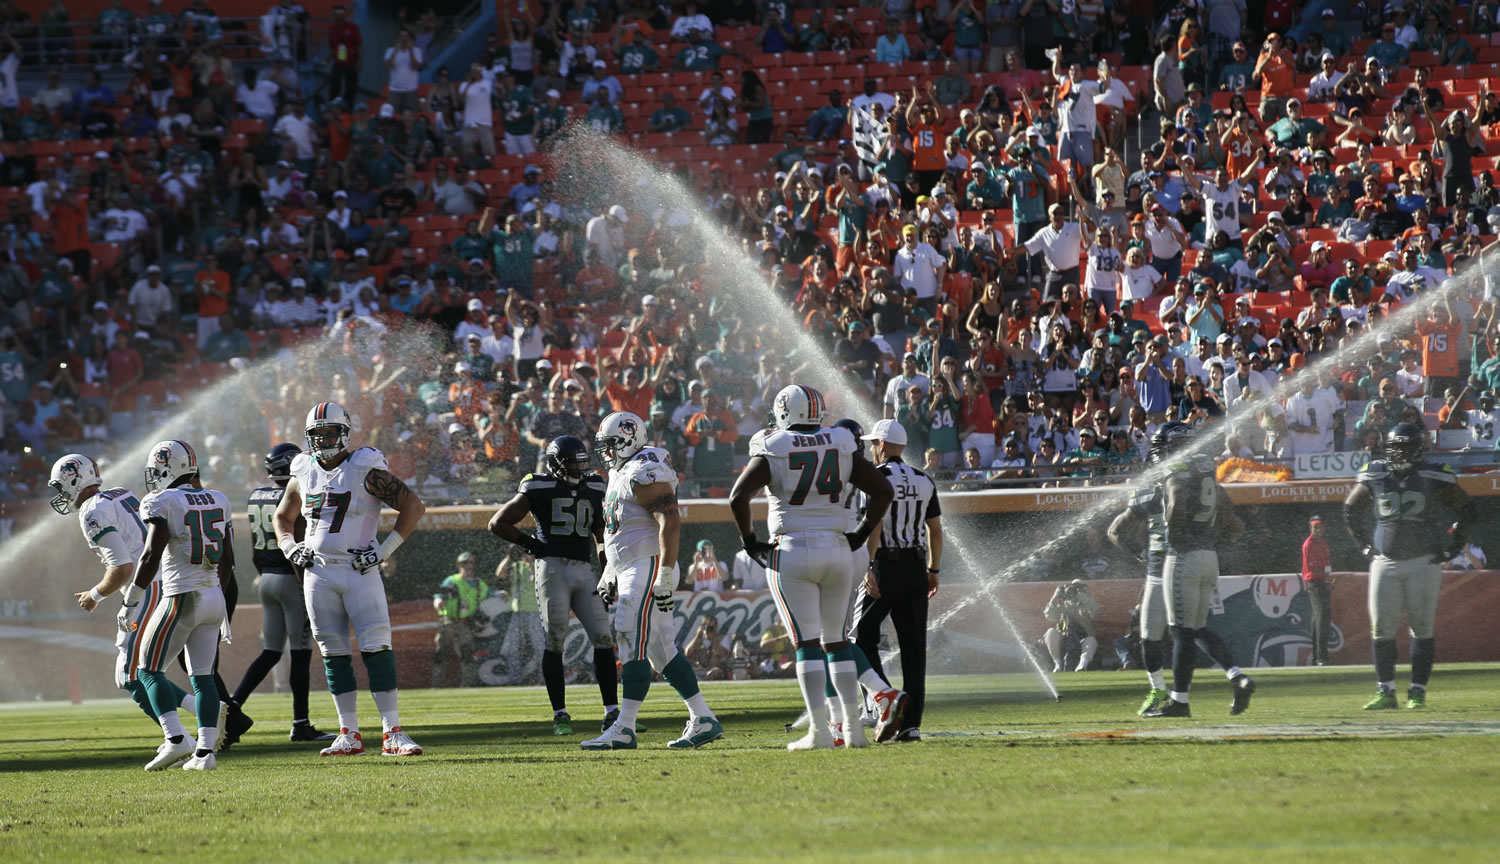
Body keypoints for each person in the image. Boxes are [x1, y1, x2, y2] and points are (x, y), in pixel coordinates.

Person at [731, 391, 897, 750]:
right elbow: (883, 490)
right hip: (838, 548)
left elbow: (737, 497)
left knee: (807, 643)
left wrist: (749, 542)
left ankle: (821, 732)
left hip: (792, 549)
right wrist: (861, 533)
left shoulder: (772, 443)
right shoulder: (840, 442)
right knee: (836, 641)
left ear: (783, 412)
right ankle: (853, 731)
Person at [273, 402, 427, 757]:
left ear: (344, 433)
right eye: (317, 434)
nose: (323, 439)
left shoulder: (365, 467)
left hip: (360, 569)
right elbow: (282, 517)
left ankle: (393, 732)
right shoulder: (303, 468)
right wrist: (289, 547)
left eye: (329, 432)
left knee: (376, 647)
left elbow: (413, 507)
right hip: (319, 572)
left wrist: (384, 550)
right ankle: (349, 733)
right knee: (332, 653)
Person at [48, 453, 207, 769]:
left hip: (146, 588)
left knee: (131, 673)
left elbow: (122, 567)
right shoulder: (122, 493)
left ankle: (177, 739)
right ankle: (199, 718)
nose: (61, 494)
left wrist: (94, 595)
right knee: (142, 670)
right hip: (165, 581)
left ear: (74, 479)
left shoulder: (93, 511)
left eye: (62, 485)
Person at [583, 412, 724, 750]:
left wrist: (664, 572)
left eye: (611, 444)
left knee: (630, 636)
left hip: (649, 565)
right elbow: (622, 529)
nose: (606, 451)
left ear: (629, 439)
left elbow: (670, 519)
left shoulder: (644, 468)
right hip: (635, 565)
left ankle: (625, 727)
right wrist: (609, 570)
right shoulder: (621, 471)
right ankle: (703, 717)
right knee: (662, 651)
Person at [1109, 439, 1255, 717]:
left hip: (1176, 564)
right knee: (1188, 631)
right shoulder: (1201, 479)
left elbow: (1119, 529)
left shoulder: (1173, 480)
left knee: (1177, 633)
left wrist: (1176, 543)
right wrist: (1211, 543)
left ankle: (1178, 699)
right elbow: (1235, 523)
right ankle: (1228, 677)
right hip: (1184, 563)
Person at [488, 435, 619, 736]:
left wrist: (607, 569)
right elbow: (498, 523)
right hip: (552, 569)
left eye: (583, 462)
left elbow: (599, 532)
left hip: (585, 570)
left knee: (602, 636)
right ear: (558, 464)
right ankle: (560, 714)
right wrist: (531, 543)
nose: (579, 468)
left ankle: (612, 712)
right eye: (574, 463)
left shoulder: (594, 486)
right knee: (555, 639)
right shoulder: (538, 486)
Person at [1342, 423, 1476, 710]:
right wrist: (1364, 546)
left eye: (1404, 448)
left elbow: (1467, 509)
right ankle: (1385, 691)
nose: (1398, 454)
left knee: (1422, 627)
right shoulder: (1376, 473)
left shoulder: (1433, 474)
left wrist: (1454, 547)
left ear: (1417, 449)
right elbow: (1350, 509)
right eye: (1394, 448)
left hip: (1423, 562)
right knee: (1381, 628)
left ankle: (1417, 691)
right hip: (1385, 561)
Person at [126, 440, 234, 771]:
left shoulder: (161, 500)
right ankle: (205, 753)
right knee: (204, 678)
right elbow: (228, 560)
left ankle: (175, 739)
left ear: (166, 467)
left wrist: (131, 598)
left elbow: (150, 554)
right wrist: (218, 597)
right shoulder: (219, 498)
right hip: (213, 595)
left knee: (147, 671)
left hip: (181, 597)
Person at [230, 443, 334, 743]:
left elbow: (252, 544)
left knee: (271, 652)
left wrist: (264, 575)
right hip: (291, 578)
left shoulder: (255, 496)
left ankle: (233, 707)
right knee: (300, 654)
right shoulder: (296, 493)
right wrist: (307, 585)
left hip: (266, 579)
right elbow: (297, 538)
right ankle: (300, 724)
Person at [849, 419, 942, 742]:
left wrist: (868, 566)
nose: (872, 449)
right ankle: (911, 724)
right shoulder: (924, 479)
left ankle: (886, 698)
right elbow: (935, 529)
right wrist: (934, 570)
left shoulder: (874, 479)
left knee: (860, 636)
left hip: (886, 563)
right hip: (916, 566)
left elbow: (873, 527)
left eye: (875, 444)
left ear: (884, 446)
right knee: (914, 648)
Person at [431, 551, 487, 688]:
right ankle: (437, 684)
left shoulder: (478, 583)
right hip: (449, 621)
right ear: (459, 565)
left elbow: (490, 593)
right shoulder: (452, 580)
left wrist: (500, 594)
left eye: (470, 562)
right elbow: (439, 595)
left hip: (466, 622)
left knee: (467, 654)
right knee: (441, 654)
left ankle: (468, 684)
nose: (468, 566)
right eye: (464, 563)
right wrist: (438, 602)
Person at [1042, 580, 1100, 672]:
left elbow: (1095, 611)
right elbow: (1049, 616)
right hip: (1063, 638)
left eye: (1078, 588)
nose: (1073, 591)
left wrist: (1084, 598)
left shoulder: (1087, 604)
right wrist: (1054, 597)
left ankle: (1082, 664)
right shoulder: (1062, 605)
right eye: (1072, 588)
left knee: (1091, 640)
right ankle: (1057, 663)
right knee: (1050, 632)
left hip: (1081, 639)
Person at [1301, 516, 1333, 667]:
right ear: (1310, 528)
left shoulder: (1323, 543)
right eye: (1315, 527)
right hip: (1315, 583)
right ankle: (1321, 657)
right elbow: (1313, 569)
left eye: (1320, 527)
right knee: (1321, 620)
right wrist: (1327, 578)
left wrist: (1329, 578)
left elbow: (1327, 563)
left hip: (1323, 582)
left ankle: (1318, 657)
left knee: (1320, 619)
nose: (1318, 530)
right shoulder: (1309, 544)